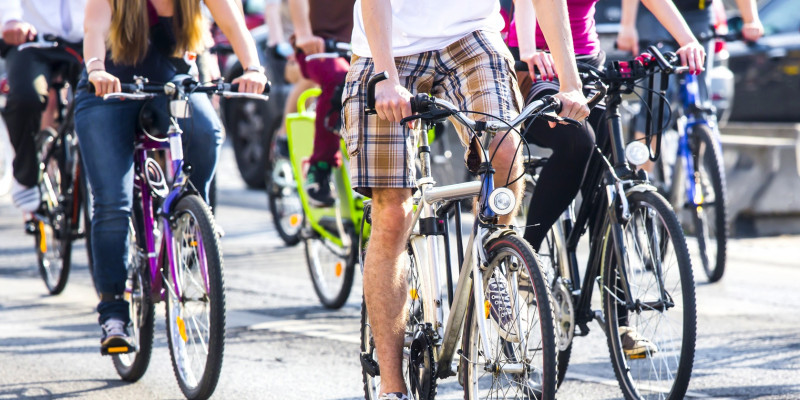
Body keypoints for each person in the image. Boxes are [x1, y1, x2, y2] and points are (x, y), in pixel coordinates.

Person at [345, 0, 590, 398]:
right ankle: (391, 386)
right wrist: (385, 76)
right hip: (387, 48)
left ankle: (495, 260)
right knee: (392, 212)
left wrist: (571, 82)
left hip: (470, 36)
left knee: (505, 151)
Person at [504, 0, 706, 356]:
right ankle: (526, 257)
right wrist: (531, 50)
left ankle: (622, 319)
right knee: (577, 141)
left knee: (609, 184)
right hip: (536, 69)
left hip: (589, 68)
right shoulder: (532, 56)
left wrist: (686, 39)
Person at [76, 0, 267, 354]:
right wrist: (97, 69)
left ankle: (191, 221)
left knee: (207, 133)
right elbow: (94, 31)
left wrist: (253, 68)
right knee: (113, 203)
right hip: (108, 88)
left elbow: (235, 24)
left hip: (172, 85)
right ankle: (114, 313)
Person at [617, 0, 763, 168]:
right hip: (656, 13)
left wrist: (750, 19)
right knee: (657, 98)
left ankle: (697, 175)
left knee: (701, 102)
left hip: (699, 12)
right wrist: (627, 25)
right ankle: (643, 176)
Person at [0, 0, 86, 215]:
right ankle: (26, 176)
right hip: (32, 41)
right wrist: (10, 19)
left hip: (88, 38)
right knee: (26, 97)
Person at [288, 0, 354, 207]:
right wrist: (303, 33)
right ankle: (320, 166)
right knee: (339, 78)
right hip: (319, 44)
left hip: (364, 46)